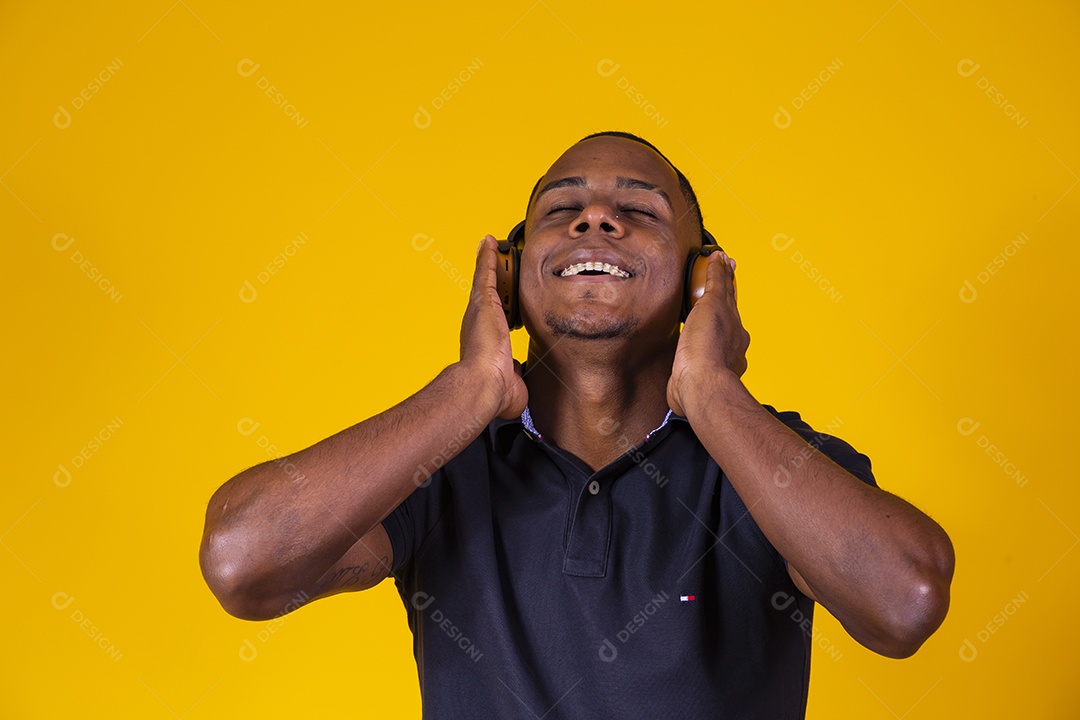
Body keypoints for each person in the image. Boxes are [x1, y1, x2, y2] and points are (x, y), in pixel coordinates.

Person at [199, 131, 955, 718]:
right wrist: (471, 388)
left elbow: (905, 603)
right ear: (508, 276)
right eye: (562, 209)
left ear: (704, 280)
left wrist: (716, 392)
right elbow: (242, 561)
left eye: (640, 210)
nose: (597, 218)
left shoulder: (770, 461)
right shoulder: (441, 465)